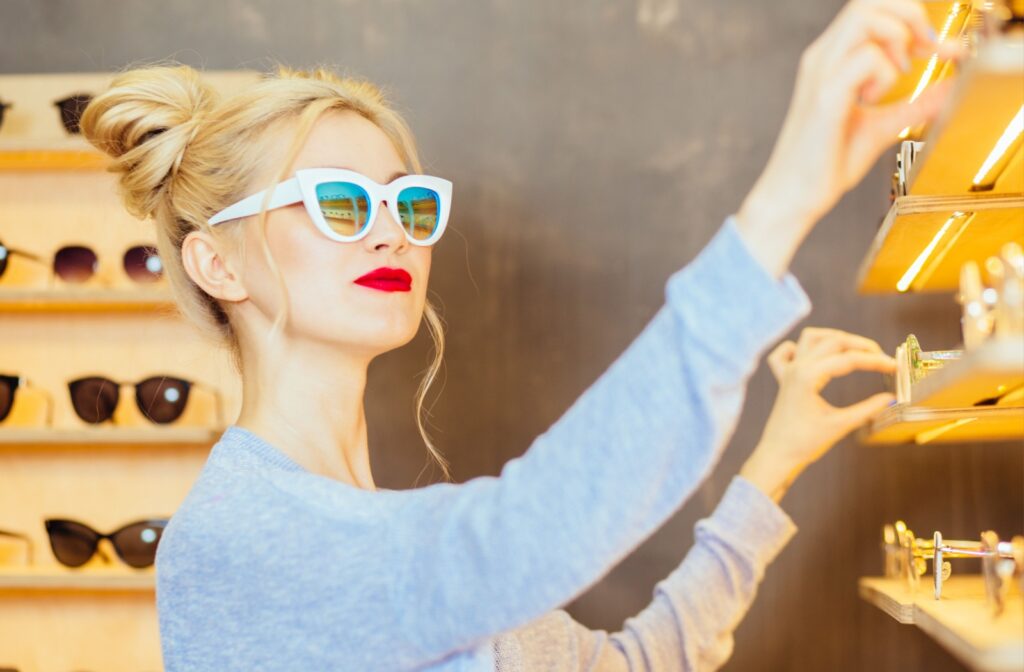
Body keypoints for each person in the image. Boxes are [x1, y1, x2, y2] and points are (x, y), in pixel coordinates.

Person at [79, 1, 961, 669]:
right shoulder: (241, 544)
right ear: (216, 266)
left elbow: (634, 663)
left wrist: (773, 466)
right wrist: (784, 203)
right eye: (340, 205)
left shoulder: (393, 537)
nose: (391, 232)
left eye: (406, 202)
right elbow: (532, 530)